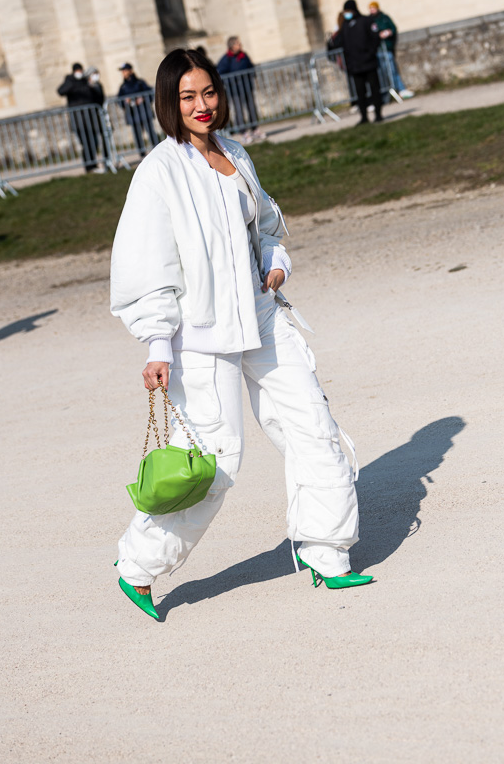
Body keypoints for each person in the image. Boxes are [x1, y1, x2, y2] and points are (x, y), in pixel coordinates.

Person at [110, 48, 370, 619]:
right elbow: (146, 265)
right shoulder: (159, 171)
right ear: (168, 104)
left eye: (207, 93)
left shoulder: (236, 154)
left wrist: (275, 262)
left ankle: (329, 550)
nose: (201, 106)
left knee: (312, 426)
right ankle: (139, 565)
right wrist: (157, 343)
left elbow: (268, 227)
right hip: (201, 336)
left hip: (263, 315)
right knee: (216, 460)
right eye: (187, 97)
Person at [328, 0, 383, 125]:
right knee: (360, 93)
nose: (346, 13)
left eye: (348, 11)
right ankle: (364, 117)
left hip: (369, 62)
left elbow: (375, 39)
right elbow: (338, 44)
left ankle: (378, 115)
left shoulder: (366, 21)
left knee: (375, 89)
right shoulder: (345, 26)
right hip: (355, 65)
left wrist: (370, 53)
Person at [216, 36, 266, 144]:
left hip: (247, 87)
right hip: (235, 91)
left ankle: (255, 129)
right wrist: (230, 82)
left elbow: (251, 67)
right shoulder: (226, 59)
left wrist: (251, 76)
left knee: (252, 107)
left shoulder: (244, 56)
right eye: (238, 43)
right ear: (232, 46)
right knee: (239, 110)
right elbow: (220, 72)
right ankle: (243, 132)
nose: (240, 45)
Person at [57, 62, 101, 171]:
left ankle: (93, 164)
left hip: (89, 118)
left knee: (93, 142)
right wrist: (73, 82)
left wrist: (93, 86)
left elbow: (96, 97)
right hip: (78, 120)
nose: (79, 73)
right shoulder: (69, 81)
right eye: (77, 71)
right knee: (85, 143)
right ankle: (89, 166)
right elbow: (61, 91)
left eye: (80, 70)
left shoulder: (85, 81)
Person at [368, 1, 414, 99]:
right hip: (377, 50)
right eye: (370, 8)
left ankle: (401, 89)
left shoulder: (384, 18)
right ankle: (385, 95)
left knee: (392, 69)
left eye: (373, 8)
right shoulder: (369, 21)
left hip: (387, 48)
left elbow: (393, 28)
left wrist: (389, 32)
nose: (372, 10)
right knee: (381, 74)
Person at [118, 62, 159, 158]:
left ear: (130, 71)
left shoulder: (140, 82)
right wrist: (125, 102)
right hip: (132, 114)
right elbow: (119, 100)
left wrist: (143, 99)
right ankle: (142, 154)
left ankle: (157, 149)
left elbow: (150, 93)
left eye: (125, 70)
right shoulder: (123, 87)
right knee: (137, 135)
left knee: (150, 131)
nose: (123, 73)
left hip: (144, 112)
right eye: (122, 71)